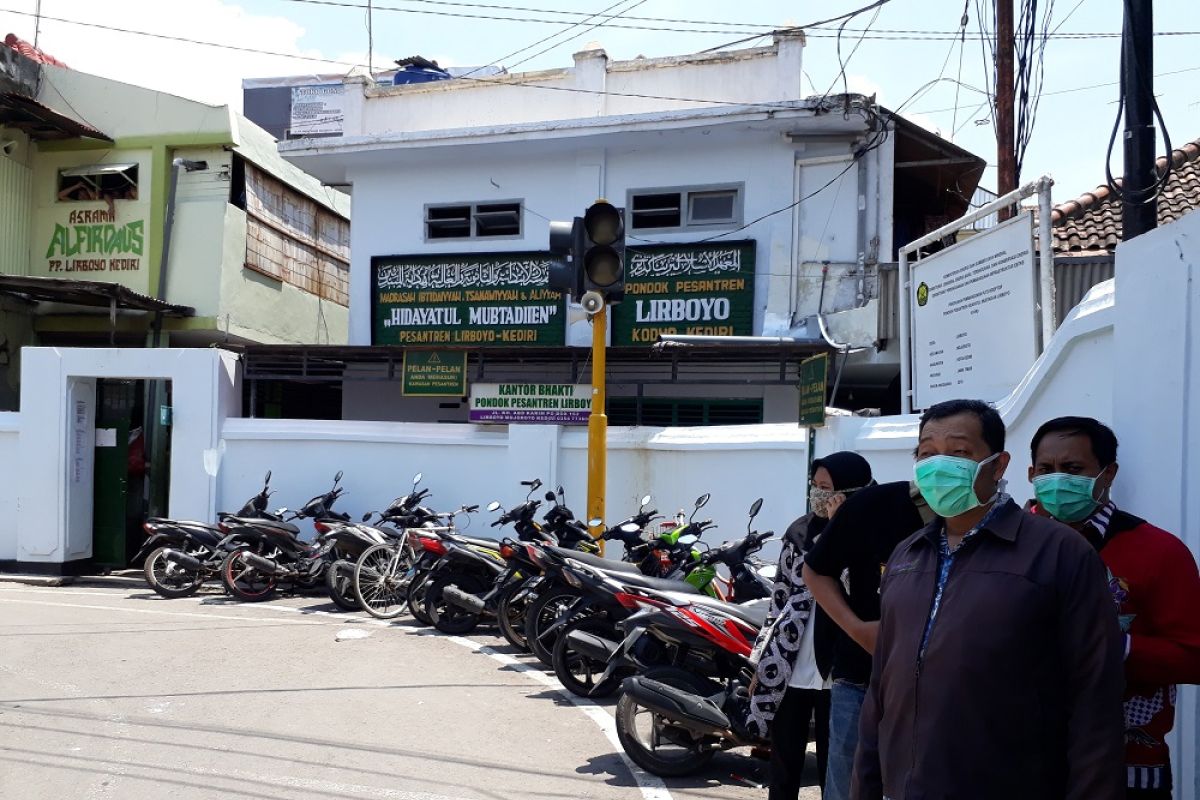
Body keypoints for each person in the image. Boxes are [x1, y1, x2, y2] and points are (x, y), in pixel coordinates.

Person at [853, 399, 1125, 800]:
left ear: (998, 466)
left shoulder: (1058, 553)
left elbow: (1096, 698)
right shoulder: (907, 556)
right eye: (927, 453)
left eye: (960, 452)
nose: (940, 465)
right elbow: (881, 689)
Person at [1029, 416, 1200, 799]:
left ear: (1108, 474)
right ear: (1030, 473)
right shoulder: (1005, 545)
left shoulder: (1159, 552)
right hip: (1018, 761)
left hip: (1127, 769)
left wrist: (1112, 646)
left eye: (1072, 469)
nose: (1057, 480)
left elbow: (1194, 655)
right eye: (1046, 470)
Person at [801, 461, 932, 800]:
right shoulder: (874, 507)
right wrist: (857, 629)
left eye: (959, 451)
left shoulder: (990, 527)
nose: (820, 494)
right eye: (930, 451)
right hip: (859, 675)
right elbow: (816, 572)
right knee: (847, 778)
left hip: (937, 685)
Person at [748, 451, 873, 800]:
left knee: (835, 762)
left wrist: (840, 530)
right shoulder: (798, 532)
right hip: (792, 663)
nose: (818, 494)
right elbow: (778, 601)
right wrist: (760, 660)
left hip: (842, 667)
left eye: (827, 488)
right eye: (815, 486)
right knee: (784, 758)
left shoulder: (870, 535)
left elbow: (859, 590)